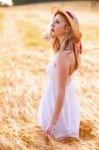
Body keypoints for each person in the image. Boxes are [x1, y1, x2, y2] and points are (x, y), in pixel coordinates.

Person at [38, 7, 82, 140]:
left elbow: (60, 91)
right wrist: (53, 27)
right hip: (66, 106)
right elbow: (45, 36)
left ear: (67, 29)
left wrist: (52, 124)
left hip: (57, 110)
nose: (52, 24)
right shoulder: (70, 51)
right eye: (53, 21)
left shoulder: (62, 56)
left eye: (57, 22)